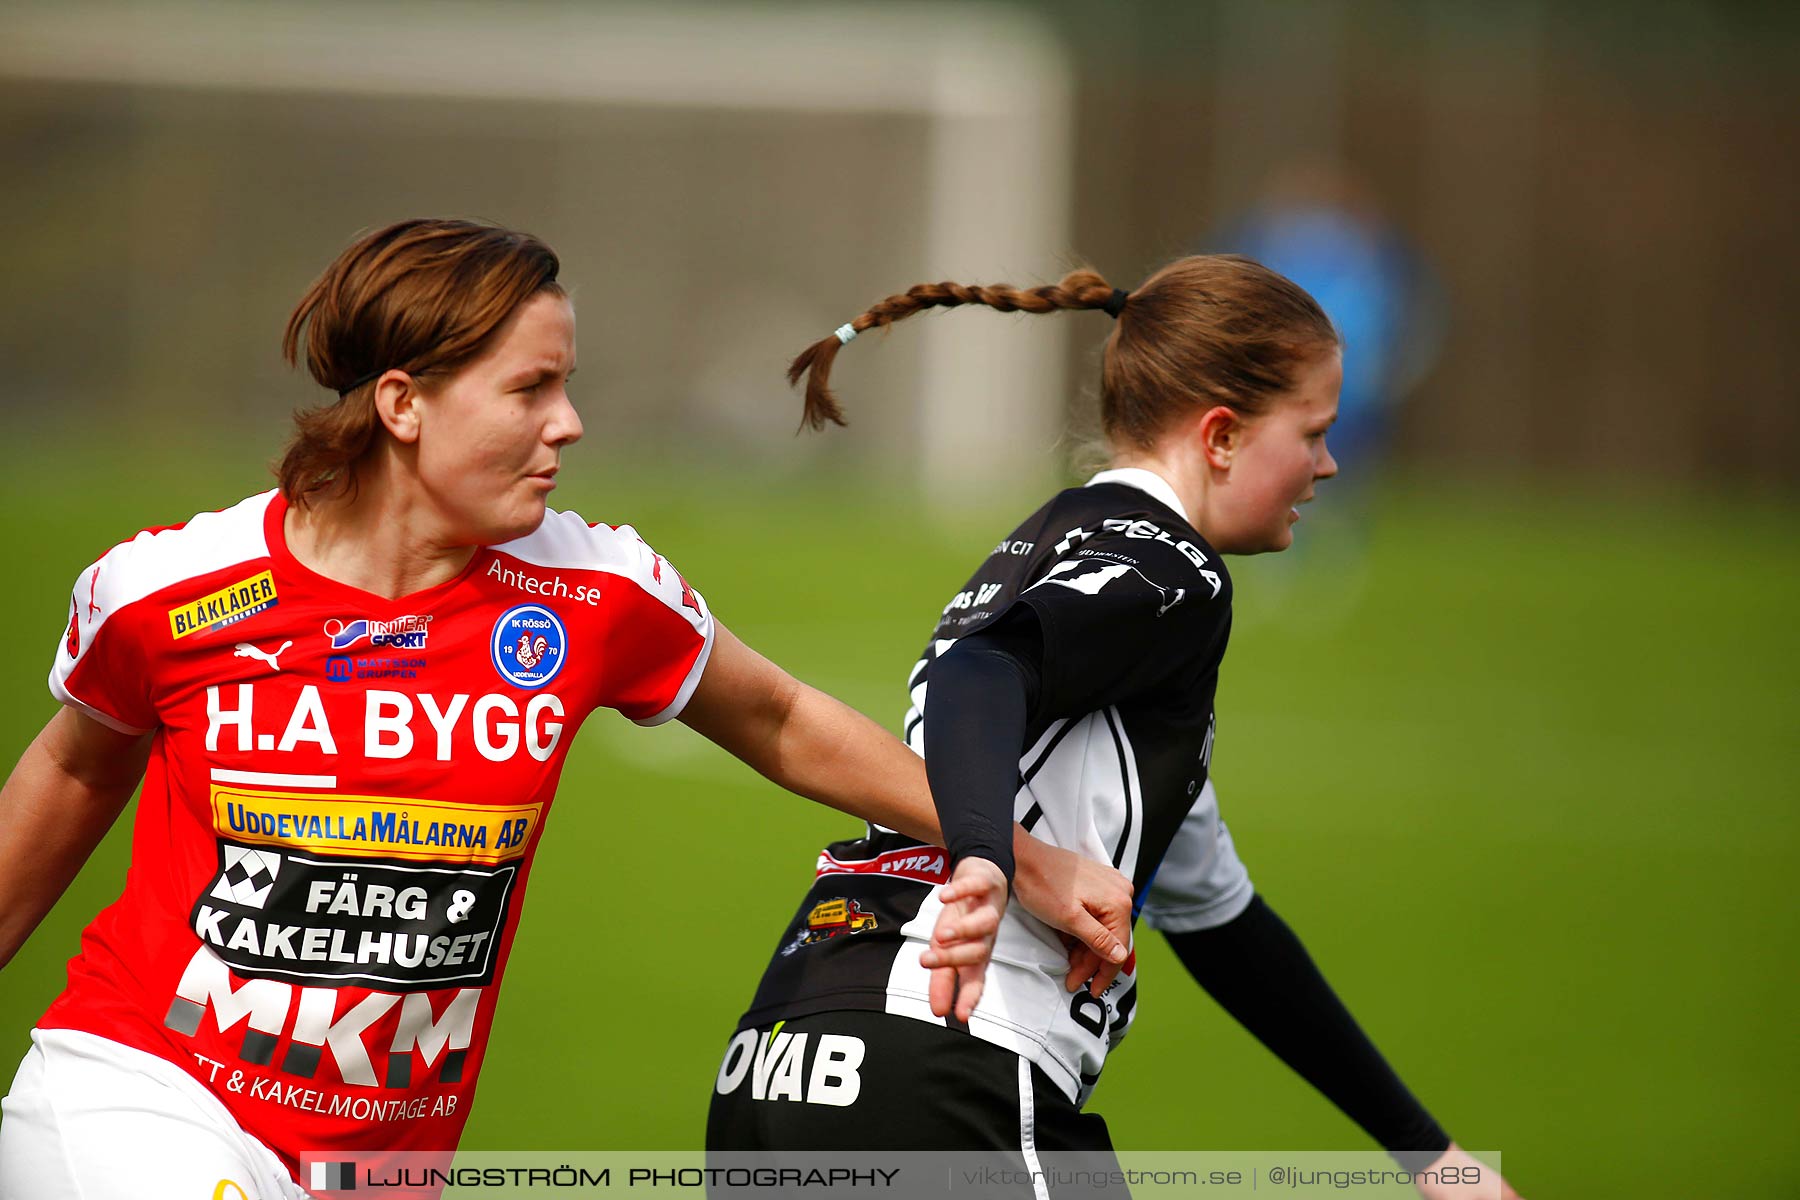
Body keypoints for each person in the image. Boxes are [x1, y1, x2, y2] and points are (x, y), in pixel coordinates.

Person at [0, 219, 1130, 1200]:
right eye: (531, 388)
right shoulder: (169, 594)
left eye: (567, 383)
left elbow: (779, 718)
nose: (571, 422)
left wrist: (1017, 854)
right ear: (403, 404)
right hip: (138, 1094)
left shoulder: (591, 590)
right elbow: (78, 767)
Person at [707, 258, 1521, 1199]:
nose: (1327, 466)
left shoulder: (1058, 550)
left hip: (785, 1056)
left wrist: (1429, 1156)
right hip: (951, 1066)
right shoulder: (1174, 569)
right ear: (1221, 435)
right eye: (1314, 432)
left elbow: (1224, 927)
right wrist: (987, 857)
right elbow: (985, 670)